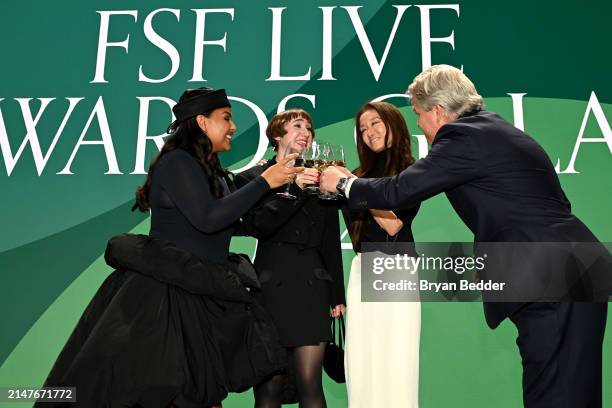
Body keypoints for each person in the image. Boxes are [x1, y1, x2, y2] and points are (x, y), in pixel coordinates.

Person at [320, 65, 610, 407]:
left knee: (554, 395)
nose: (419, 125)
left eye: (418, 114)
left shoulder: (463, 136)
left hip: (550, 278)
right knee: (574, 392)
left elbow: (399, 192)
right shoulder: (496, 130)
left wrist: (343, 182)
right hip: (574, 271)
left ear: (438, 110)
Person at [37, 87, 302, 407]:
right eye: (226, 118)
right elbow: (207, 218)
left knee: (200, 392)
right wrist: (265, 181)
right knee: (169, 392)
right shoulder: (178, 162)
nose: (233, 126)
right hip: (163, 299)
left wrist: (277, 180)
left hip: (198, 293)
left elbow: (227, 217)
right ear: (203, 123)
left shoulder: (210, 170)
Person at [234, 109, 346, 408]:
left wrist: (337, 295)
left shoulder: (320, 174)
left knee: (310, 384)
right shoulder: (255, 178)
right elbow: (257, 225)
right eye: (297, 125)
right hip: (271, 289)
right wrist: (295, 190)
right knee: (269, 386)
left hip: (312, 288)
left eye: (309, 128)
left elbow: (329, 240)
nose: (306, 132)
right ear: (277, 135)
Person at [341, 101, 420, 407]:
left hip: (395, 267)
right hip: (362, 267)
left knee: (395, 361)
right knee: (361, 360)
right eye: (362, 128)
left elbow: (393, 226)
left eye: (375, 123)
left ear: (393, 124)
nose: (368, 132)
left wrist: (352, 186)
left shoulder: (411, 170)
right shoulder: (357, 174)